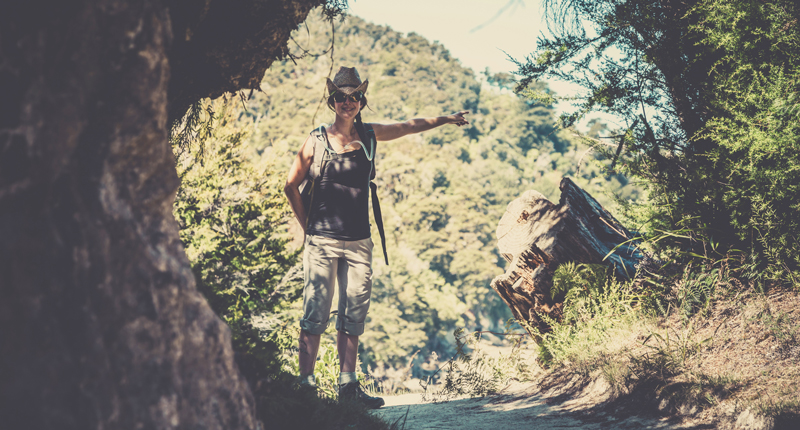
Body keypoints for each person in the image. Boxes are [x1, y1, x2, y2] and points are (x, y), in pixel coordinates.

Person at [283, 66, 469, 408]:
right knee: (315, 314)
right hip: (322, 242)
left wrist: (446, 119)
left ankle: (348, 388)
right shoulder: (316, 140)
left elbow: (409, 126)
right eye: (341, 97)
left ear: (361, 101)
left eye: (353, 97)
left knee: (353, 315)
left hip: (359, 243)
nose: (347, 102)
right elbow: (290, 185)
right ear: (332, 101)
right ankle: (305, 389)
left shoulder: (370, 135)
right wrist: (307, 227)